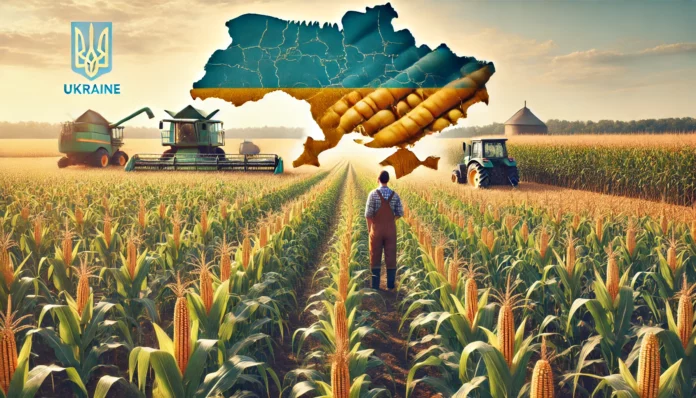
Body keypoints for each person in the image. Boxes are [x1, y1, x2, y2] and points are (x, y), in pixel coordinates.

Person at [364, 170, 403, 290]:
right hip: (390, 230)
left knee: (375, 256)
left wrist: (370, 229)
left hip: (376, 230)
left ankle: (375, 286)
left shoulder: (373, 194)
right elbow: (400, 213)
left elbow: (368, 215)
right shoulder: (395, 195)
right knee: (391, 256)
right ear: (388, 180)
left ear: (378, 179)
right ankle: (390, 285)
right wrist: (391, 220)